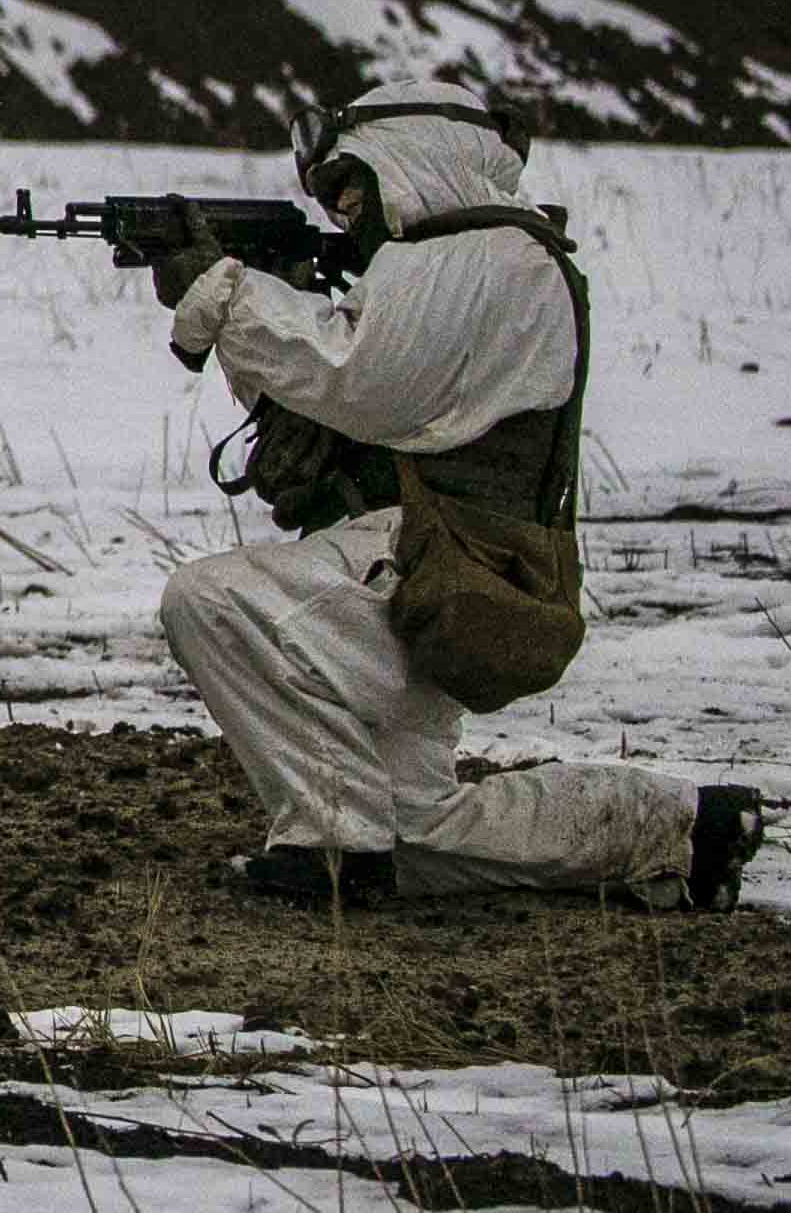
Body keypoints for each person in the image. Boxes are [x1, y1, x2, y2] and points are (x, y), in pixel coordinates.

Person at [153, 77, 767, 909]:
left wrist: (228, 295)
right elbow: (339, 403)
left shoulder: (483, 256)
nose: (342, 210)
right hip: (445, 574)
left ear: (407, 160)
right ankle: (681, 828)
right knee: (419, 829)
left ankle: (331, 845)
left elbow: (349, 374)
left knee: (209, 599)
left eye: (350, 185)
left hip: (437, 568)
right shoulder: (473, 259)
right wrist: (263, 303)